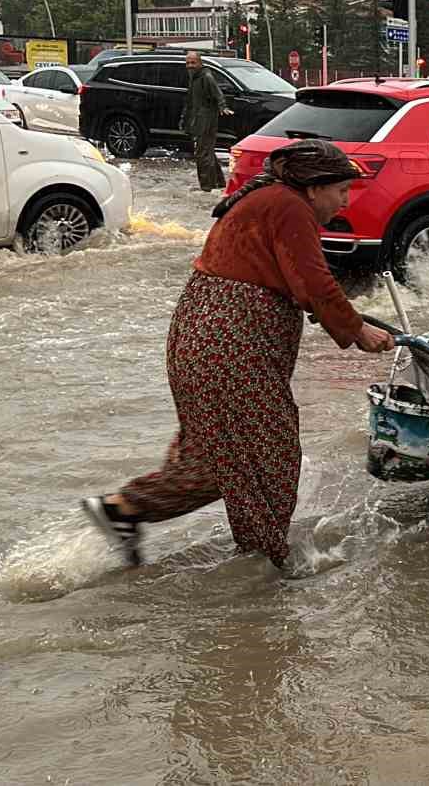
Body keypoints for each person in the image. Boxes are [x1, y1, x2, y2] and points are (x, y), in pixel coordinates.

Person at [82, 140, 395, 569]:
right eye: (341, 188)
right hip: (230, 348)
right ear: (312, 188)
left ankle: (125, 510)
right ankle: (268, 565)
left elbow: (300, 284)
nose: (346, 198)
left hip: (205, 341)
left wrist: (349, 320)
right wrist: (357, 330)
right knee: (270, 454)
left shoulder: (274, 200)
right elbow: (312, 282)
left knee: (217, 461)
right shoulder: (288, 206)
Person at [182, 51, 232, 191]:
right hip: (198, 119)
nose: (190, 66)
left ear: (200, 63)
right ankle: (219, 183)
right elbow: (191, 101)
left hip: (207, 119)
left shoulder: (206, 76)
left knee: (202, 153)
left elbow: (217, 93)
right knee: (207, 151)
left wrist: (223, 106)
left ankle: (206, 187)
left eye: (193, 63)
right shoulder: (194, 77)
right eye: (187, 63)